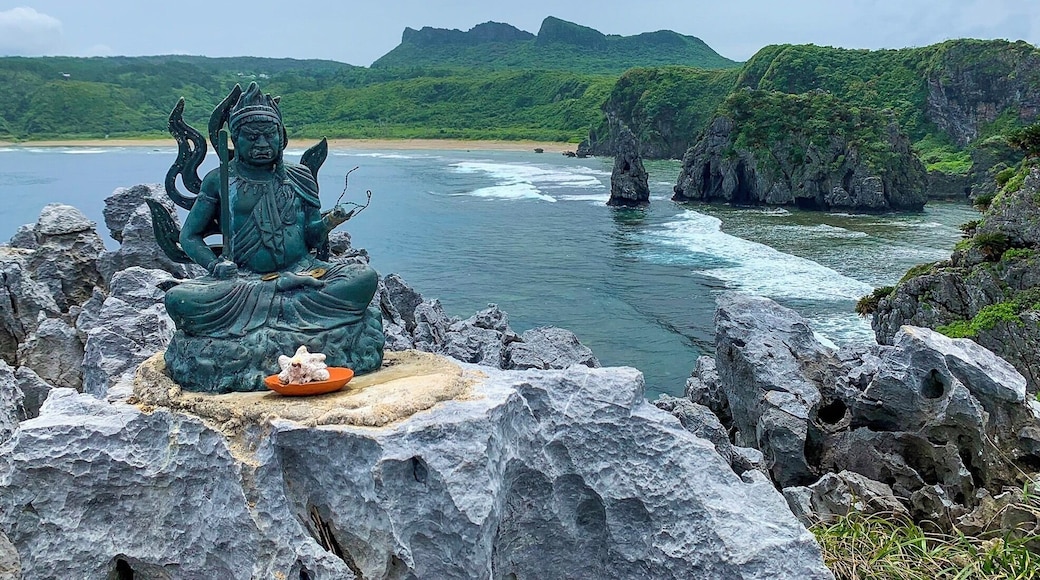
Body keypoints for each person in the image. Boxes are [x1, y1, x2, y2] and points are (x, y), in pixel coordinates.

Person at [162, 82, 383, 392]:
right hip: (245, 284)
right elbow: (189, 237)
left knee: (363, 277)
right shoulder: (220, 180)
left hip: (303, 271)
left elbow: (310, 235)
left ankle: (281, 309)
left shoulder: (299, 177)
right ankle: (286, 306)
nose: (263, 144)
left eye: (270, 135)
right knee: (179, 299)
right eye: (252, 137)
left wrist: (332, 219)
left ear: (282, 138)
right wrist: (214, 268)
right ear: (235, 140)